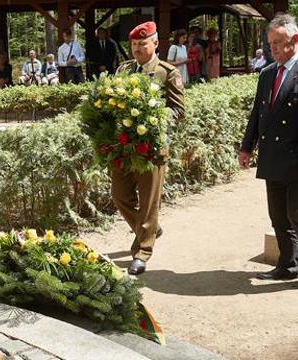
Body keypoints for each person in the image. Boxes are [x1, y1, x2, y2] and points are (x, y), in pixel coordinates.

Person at [238, 14, 298, 292]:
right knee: (278, 215)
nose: (273, 49)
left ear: (295, 39)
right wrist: (247, 146)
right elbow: (258, 114)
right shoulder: (268, 73)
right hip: (274, 155)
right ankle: (288, 264)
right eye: (270, 44)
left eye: (278, 43)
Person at [114, 21, 185, 275]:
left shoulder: (167, 72)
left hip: (151, 148)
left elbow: (178, 111)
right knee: (119, 195)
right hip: (124, 148)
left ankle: (142, 252)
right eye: (133, 44)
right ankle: (151, 228)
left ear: (155, 43)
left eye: (142, 44)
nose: (137, 49)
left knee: (148, 202)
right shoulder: (123, 70)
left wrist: (151, 117)